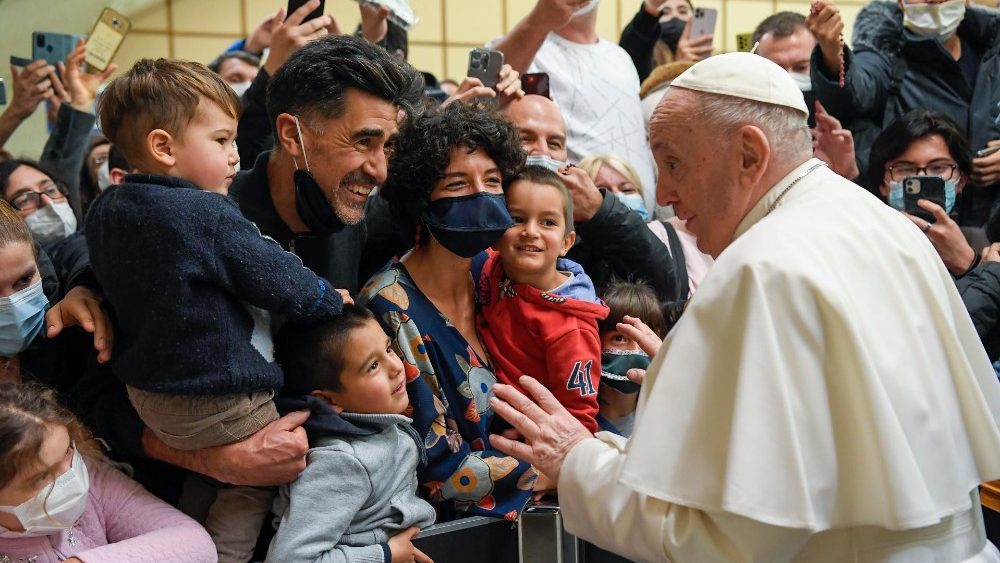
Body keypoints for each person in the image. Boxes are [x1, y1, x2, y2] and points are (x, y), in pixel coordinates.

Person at [489, 52, 1000, 561]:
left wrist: (575, 460)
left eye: (673, 163)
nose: (665, 191)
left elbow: (718, 542)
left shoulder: (761, 265)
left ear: (749, 155)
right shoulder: (876, 219)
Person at [88, 57, 348, 563]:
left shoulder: (107, 208)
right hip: (221, 398)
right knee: (251, 487)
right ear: (163, 147)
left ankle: (188, 544)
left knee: (205, 480)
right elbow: (274, 275)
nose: (236, 155)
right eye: (222, 140)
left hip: (151, 400)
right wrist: (325, 299)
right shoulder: (205, 212)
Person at [359, 102, 538, 521]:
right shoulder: (389, 307)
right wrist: (554, 468)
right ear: (420, 199)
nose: (481, 194)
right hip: (461, 533)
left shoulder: (497, 270)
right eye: (457, 185)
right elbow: (436, 469)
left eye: (493, 181)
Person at [807, 0, 1000, 226]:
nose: (933, 1)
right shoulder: (885, 48)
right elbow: (857, 92)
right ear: (900, 2)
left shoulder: (991, 50)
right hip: (900, 217)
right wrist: (831, 53)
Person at [266, 305, 435, 563]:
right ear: (327, 400)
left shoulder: (381, 427)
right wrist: (384, 555)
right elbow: (290, 559)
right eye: (373, 366)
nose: (396, 367)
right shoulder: (342, 461)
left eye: (388, 349)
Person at [0, 381, 217, 562]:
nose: (70, 474)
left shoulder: (90, 473)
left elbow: (196, 544)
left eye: (67, 452)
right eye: (42, 476)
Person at [502, 95, 679, 301]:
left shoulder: (586, 231)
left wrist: (601, 212)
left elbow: (663, 285)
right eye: (526, 138)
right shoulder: (477, 212)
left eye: (554, 143)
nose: (543, 151)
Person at [476, 165, 609, 433]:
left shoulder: (572, 330)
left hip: (530, 437)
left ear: (566, 242)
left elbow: (578, 418)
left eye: (548, 222)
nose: (530, 231)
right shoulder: (490, 265)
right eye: (517, 219)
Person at [492, 0, 657, 208]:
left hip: (638, 221)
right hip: (573, 223)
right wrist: (539, 20)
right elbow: (487, 92)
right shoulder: (526, 49)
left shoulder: (620, 58)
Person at [869, 109, 986, 277]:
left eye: (938, 168)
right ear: (883, 183)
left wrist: (968, 262)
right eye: (905, 168)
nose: (922, 177)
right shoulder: (863, 244)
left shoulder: (985, 246)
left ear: (961, 181)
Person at [577, 153, 713, 297]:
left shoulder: (680, 231)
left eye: (627, 189)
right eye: (604, 193)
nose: (618, 198)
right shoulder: (583, 255)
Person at [595, 280, 667, 437]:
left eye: (644, 340)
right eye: (619, 338)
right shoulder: (579, 421)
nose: (635, 351)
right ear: (596, 342)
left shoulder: (668, 418)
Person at [619, 0, 712, 81]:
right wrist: (680, 67)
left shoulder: (709, 64)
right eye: (665, 12)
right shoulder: (643, 57)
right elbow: (637, 37)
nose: (675, 16)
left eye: (682, 11)